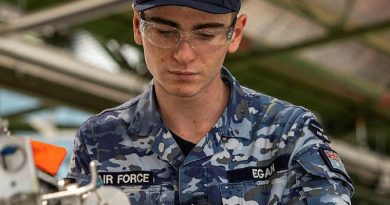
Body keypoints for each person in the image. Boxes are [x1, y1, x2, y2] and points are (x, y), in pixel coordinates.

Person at [67, 0, 354, 204]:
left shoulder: (288, 133)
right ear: (136, 26)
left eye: (206, 34)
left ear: (236, 33)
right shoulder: (99, 139)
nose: (184, 54)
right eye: (165, 32)